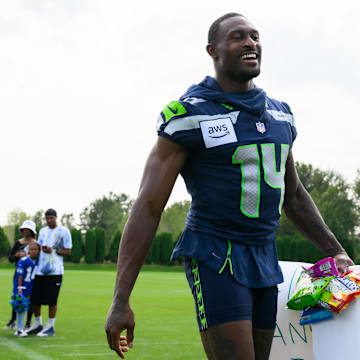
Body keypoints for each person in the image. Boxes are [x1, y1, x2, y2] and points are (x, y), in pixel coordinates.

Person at [105, 13, 354, 360]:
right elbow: (149, 205)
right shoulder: (189, 113)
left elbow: (294, 196)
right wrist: (121, 300)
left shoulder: (280, 114)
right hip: (214, 252)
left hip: (264, 256)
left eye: (255, 36)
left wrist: (335, 250)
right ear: (213, 50)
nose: (250, 43)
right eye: (238, 37)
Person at [26, 208, 72, 337]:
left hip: (55, 271)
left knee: (52, 300)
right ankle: (37, 324)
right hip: (40, 270)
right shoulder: (42, 231)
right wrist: (34, 252)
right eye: (47, 218)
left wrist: (54, 251)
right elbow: (38, 247)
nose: (49, 220)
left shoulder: (64, 231)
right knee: (35, 299)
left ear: (56, 217)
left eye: (51, 218)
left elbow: (68, 251)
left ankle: (50, 326)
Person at [4, 220, 37, 330]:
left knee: (30, 298)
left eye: (28, 229)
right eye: (24, 229)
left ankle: (28, 322)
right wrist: (17, 255)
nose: (26, 231)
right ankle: (13, 321)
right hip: (19, 274)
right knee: (17, 296)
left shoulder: (36, 243)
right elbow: (10, 258)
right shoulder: (18, 243)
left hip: (31, 275)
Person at [12, 242, 40, 337]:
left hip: (29, 287)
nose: (33, 251)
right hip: (21, 288)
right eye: (31, 249)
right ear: (28, 250)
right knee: (21, 308)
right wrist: (19, 287)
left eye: (35, 249)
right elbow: (20, 275)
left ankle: (19, 328)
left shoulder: (37, 261)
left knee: (25, 307)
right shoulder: (23, 261)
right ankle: (19, 329)